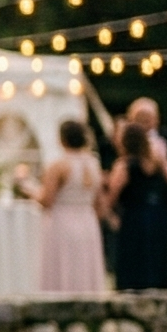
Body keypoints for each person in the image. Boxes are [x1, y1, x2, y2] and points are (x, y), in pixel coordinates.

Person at [105, 121, 167, 290]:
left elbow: (111, 197)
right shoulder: (159, 165)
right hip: (159, 216)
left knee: (135, 261)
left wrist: (111, 216)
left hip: (135, 217)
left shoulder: (124, 165)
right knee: (157, 260)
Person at [33, 119, 107, 292]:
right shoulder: (94, 164)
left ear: (62, 139)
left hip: (62, 221)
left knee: (63, 264)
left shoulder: (58, 166)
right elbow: (101, 204)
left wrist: (29, 190)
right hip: (87, 222)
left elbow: (46, 201)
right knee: (85, 266)